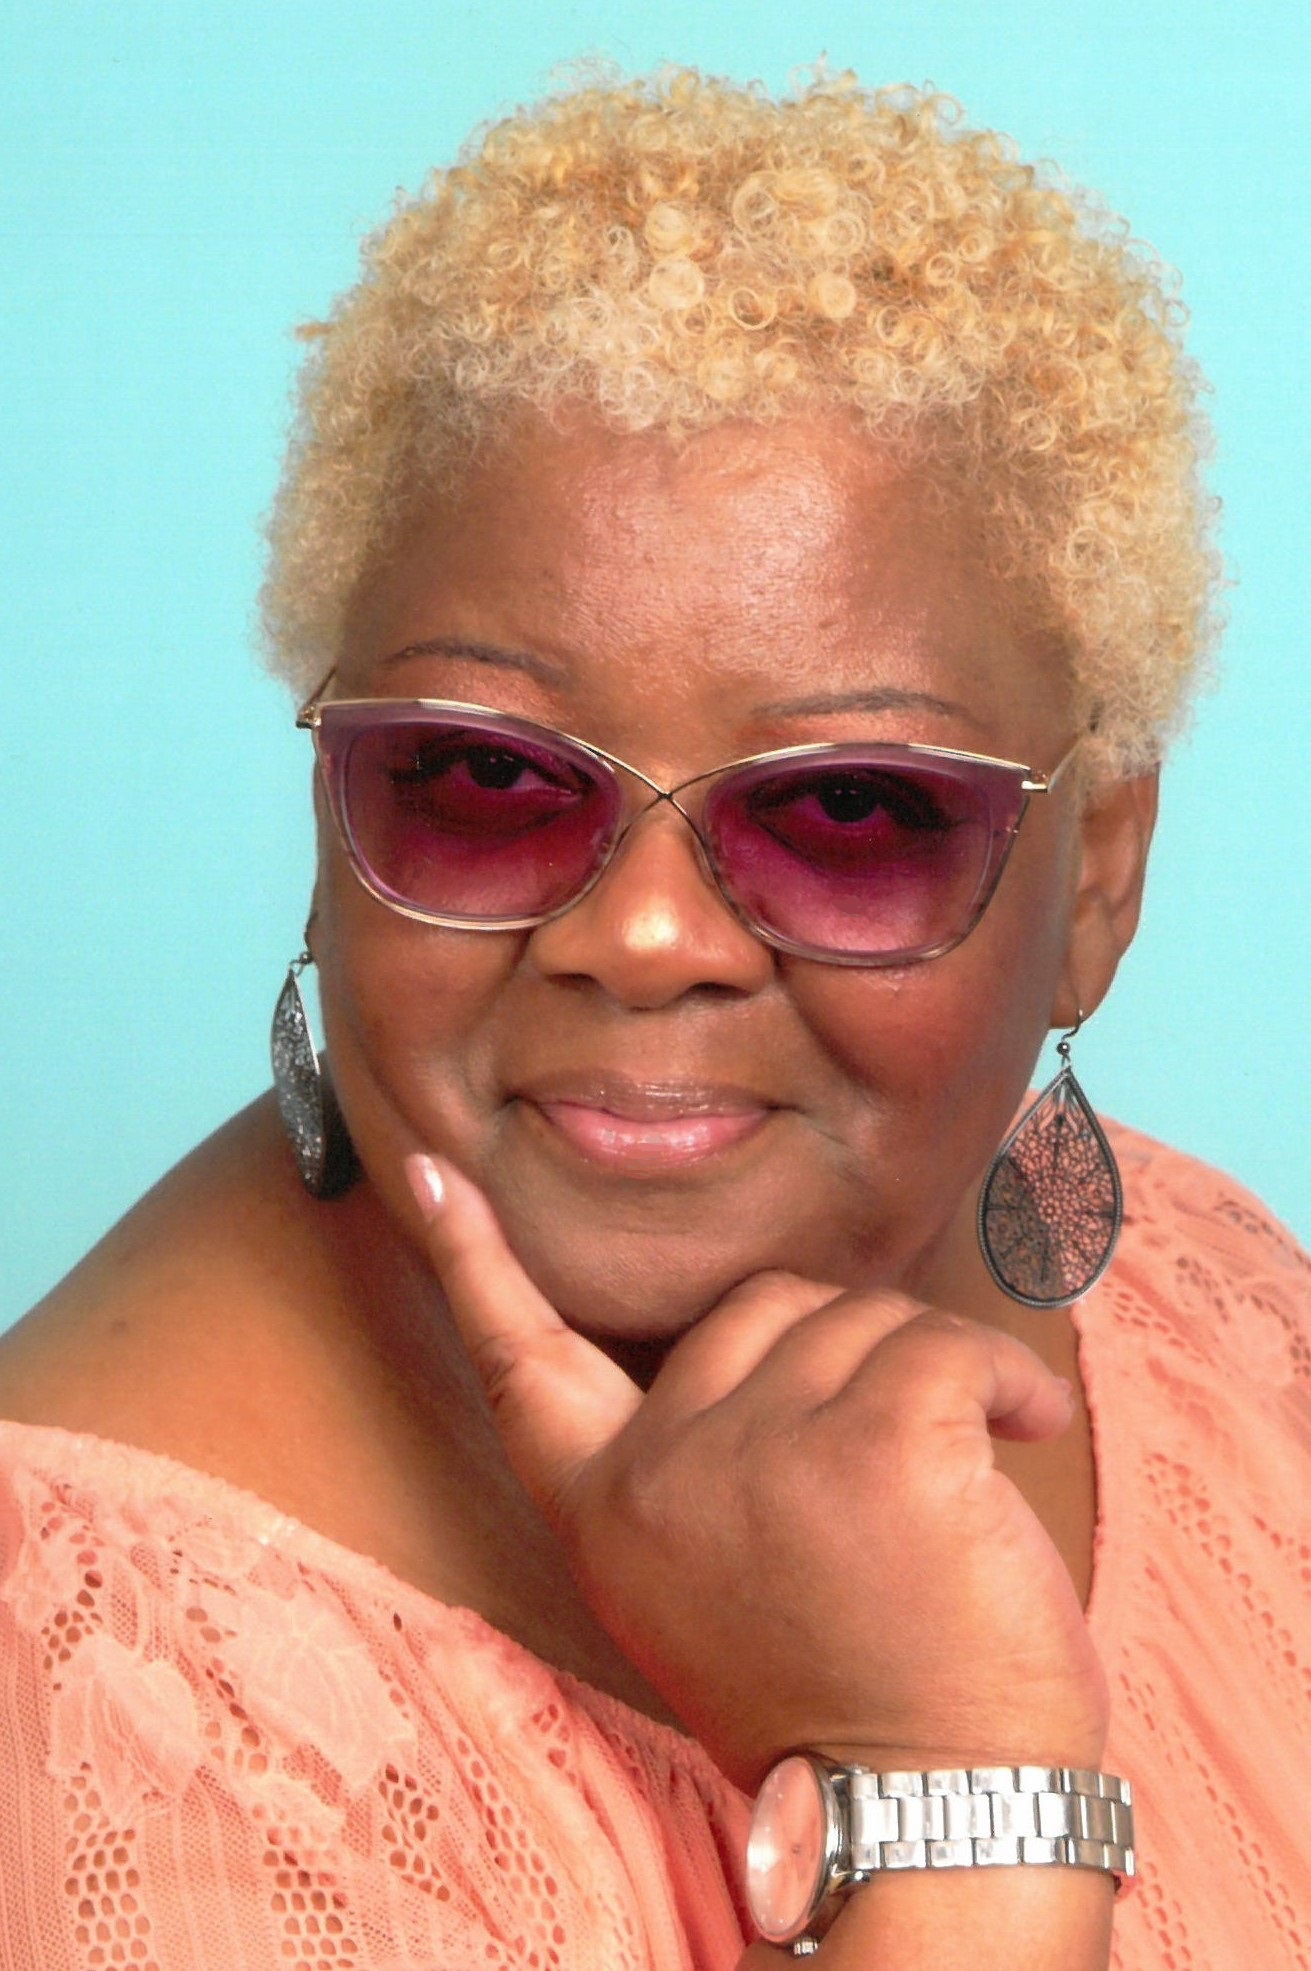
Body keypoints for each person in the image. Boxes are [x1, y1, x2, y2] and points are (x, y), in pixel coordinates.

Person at [0, 66, 1306, 1971]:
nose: (643, 938)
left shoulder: (1226, 1322)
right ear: (331, 806)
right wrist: (949, 1795)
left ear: (1097, 878)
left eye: (850, 809)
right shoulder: (98, 1719)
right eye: (483, 778)